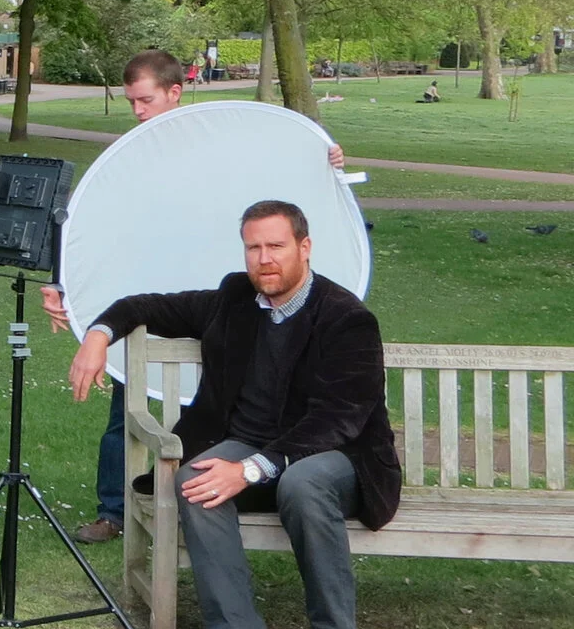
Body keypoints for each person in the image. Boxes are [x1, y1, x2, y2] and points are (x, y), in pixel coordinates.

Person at [68, 200, 401, 629]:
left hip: (335, 458)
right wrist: (99, 334)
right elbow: (147, 306)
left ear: (304, 248)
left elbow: (338, 420)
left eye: (276, 246)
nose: (264, 259)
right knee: (195, 480)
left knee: (303, 483)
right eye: (254, 247)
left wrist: (248, 470)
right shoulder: (234, 297)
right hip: (253, 447)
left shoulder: (346, 318)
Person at [39, 49, 347, 544]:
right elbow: (95, 229)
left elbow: (272, 174)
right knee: (125, 410)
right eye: (131, 102)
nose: (138, 111)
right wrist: (67, 287)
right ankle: (114, 510)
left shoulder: (218, 143)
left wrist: (323, 158)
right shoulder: (130, 158)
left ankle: (210, 495)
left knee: (228, 412)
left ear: (175, 91)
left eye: (146, 100)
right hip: (158, 301)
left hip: (230, 309)